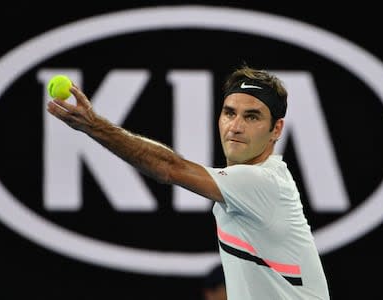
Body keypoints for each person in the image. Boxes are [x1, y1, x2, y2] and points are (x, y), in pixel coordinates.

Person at [47, 65, 330, 299]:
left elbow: (169, 168)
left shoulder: (262, 182)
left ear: (276, 129)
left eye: (252, 117)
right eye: (229, 113)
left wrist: (94, 125)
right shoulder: (247, 185)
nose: (236, 127)